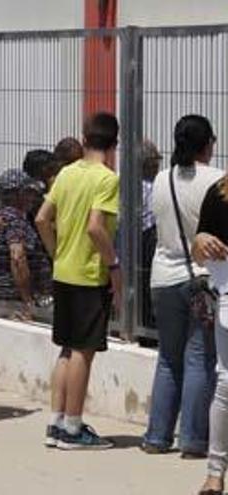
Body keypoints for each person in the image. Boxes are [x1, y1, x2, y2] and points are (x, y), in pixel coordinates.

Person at [35, 112, 120, 450]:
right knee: (84, 351)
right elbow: (96, 227)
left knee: (67, 348)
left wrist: (57, 251)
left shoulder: (67, 173)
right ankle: (72, 427)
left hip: (64, 271)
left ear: (84, 139)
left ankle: (56, 420)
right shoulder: (106, 179)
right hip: (88, 274)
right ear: (114, 143)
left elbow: (42, 218)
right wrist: (113, 265)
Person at [142, 116, 221, 458]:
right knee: (199, 359)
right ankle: (193, 440)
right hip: (202, 278)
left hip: (162, 275)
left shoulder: (161, 179)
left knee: (168, 359)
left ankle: (157, 437)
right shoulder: (217, 180)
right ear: (208, 143)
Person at [192, 157, 228, 495]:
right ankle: (215, 472)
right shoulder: (219, 193)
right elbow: (198, 250)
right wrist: (201, 240)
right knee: (227, 384)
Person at [0, 169, 52, 320]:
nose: (32, 198)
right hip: (13, 301)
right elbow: (18, 258)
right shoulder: (15, 220)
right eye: (28, 192)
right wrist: (28, 301)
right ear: (17, 195)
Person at [140, 140, 162, 329]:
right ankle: (146, 326)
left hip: (133, 239)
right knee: (146, 284)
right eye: (155, 161)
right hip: (147, 237)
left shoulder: (125, 183)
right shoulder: (153, 186)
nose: (157, 165)